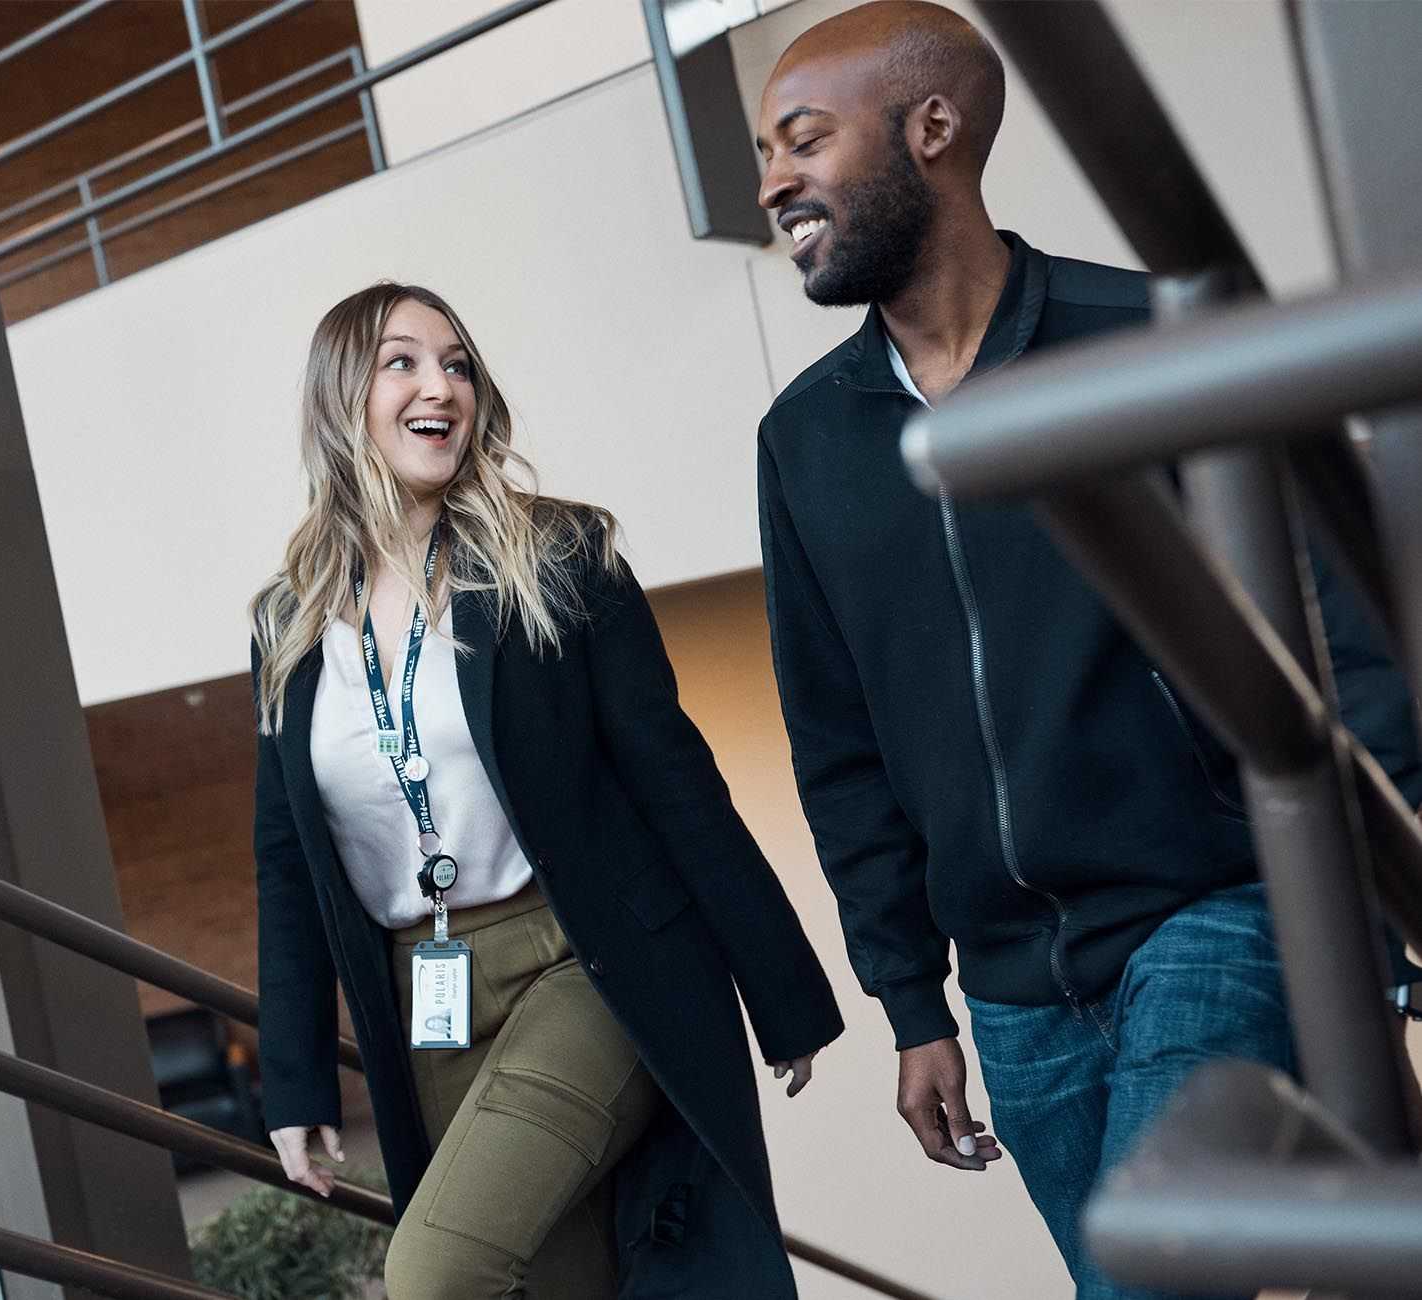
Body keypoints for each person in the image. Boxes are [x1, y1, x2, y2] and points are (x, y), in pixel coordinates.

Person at [751, 3, 1422, 1297]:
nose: (774, 181)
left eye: (803, 139)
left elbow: (1347, 638)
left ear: (932, 128)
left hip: (1214, 908)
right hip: (1012, 993)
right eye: (765, 155)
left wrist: (1390, 917)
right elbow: (836, 742)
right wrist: (912, 1002)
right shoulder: (805, 440)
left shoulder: (1148, 338)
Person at [249, 282, 843, 1299]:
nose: (441, 387)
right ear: (340, 399)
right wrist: (296, 1078)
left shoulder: (557, 558)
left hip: (583, 964)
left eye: (458, 365)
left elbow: (673, 778)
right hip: (425, 1000)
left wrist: (781, 990)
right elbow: (286, 862)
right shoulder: (288, 621)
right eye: (402, 362)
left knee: (435, 1272)